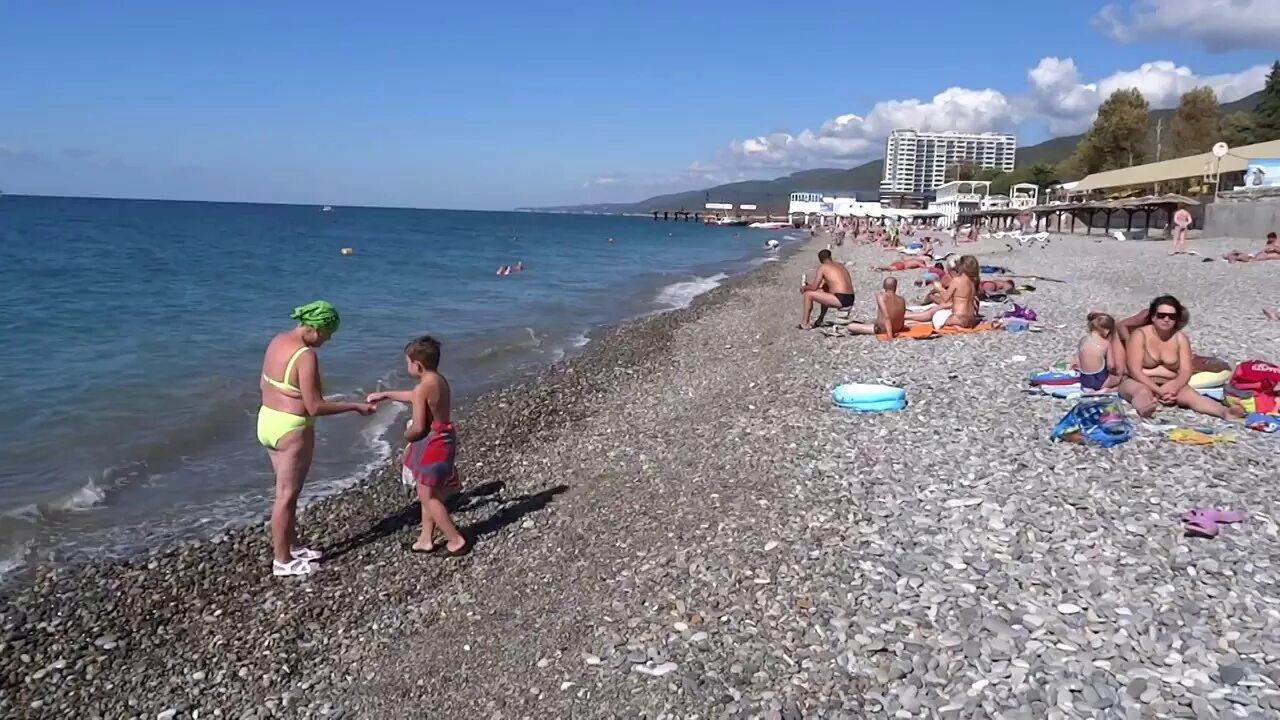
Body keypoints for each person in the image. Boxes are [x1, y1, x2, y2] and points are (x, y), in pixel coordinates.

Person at [259, 301, 376, 577]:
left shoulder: (277, 341)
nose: (327, 339)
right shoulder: (305, 355)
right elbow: (315, 407)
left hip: (267, 421)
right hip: (292, 428)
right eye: (327, 333)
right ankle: (282, 561)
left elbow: (265, 384)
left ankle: (292, 545)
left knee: (286, 492)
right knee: (285, 496)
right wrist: (354, 406)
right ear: (314, 327)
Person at [367, 336, 470, 556]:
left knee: (428, 497)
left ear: (417, 365)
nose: (407, 367)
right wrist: (386, 394)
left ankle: (456, 540)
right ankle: (425, 539)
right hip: (444, 439)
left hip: (431, 444)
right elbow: (415, 396)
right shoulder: (437, 380)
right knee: (427, 491)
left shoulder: (424, 387)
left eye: (408, 363)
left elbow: (420, 427)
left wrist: (407, 434)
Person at [1117, 296, 1244, 419]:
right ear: (1153, 317)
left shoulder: (1180, 339)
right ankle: (1145, 408)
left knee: (1193, 397)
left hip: (1170, 383)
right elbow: (1135, 371)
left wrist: (1173, 388)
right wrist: (1159, 391)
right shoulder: (1140, 335)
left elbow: (1186, 371)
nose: (1166, 319)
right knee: (1141, 392)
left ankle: (1225, 412)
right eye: (1161, 315)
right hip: (1138, 381)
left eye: (1171, 317)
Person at [905, 255, 979, 328]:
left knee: (935, 317)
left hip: (958, 318)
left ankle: (907, 322)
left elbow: (945, 298)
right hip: (970, 320)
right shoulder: (972, 282)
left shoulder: (957, 280)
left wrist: (939, 288)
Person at [798, 249, 856, 329]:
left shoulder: (823, 267)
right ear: (830, 257)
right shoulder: (840, 265)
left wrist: (805, 288)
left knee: (808, 295)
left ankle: (805, 324)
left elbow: (814, 287)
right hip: (850, 298)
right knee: (825, 289)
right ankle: (820, 320)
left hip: (841, 299)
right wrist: (810, 286)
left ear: (820, 260)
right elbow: (830, 285)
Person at [1077, 313, 1122, 391]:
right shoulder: (1105, 343)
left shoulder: (1083, 340)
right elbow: (1111, 365)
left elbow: (1079, 360)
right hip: (1099, 381)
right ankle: (1105, 390)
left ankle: (1087, 389)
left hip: (1085, 380)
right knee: (1120, 380)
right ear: (1106, 330)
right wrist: (1116, 371)